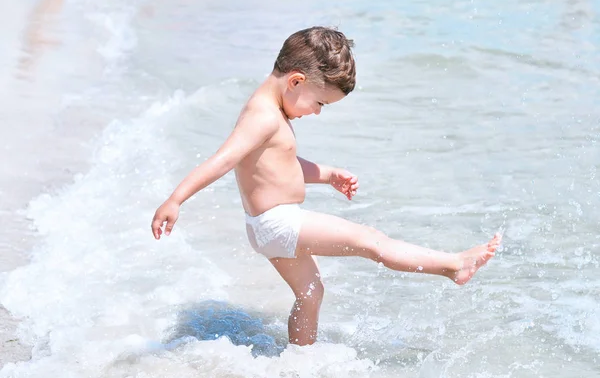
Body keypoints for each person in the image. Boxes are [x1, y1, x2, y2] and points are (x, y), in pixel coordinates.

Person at [151, 26, 502, 346]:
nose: (318, 112)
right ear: (296, 81)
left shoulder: (271, 110)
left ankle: (299, 364)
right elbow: (223, 160)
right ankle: (453, 265)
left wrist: (327, 174)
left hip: (267, 227)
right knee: (371, 240)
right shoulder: (263, 116)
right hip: (279, 222)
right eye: (320, 103)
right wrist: (175, 199)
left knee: (311, 292)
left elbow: (278, 165)